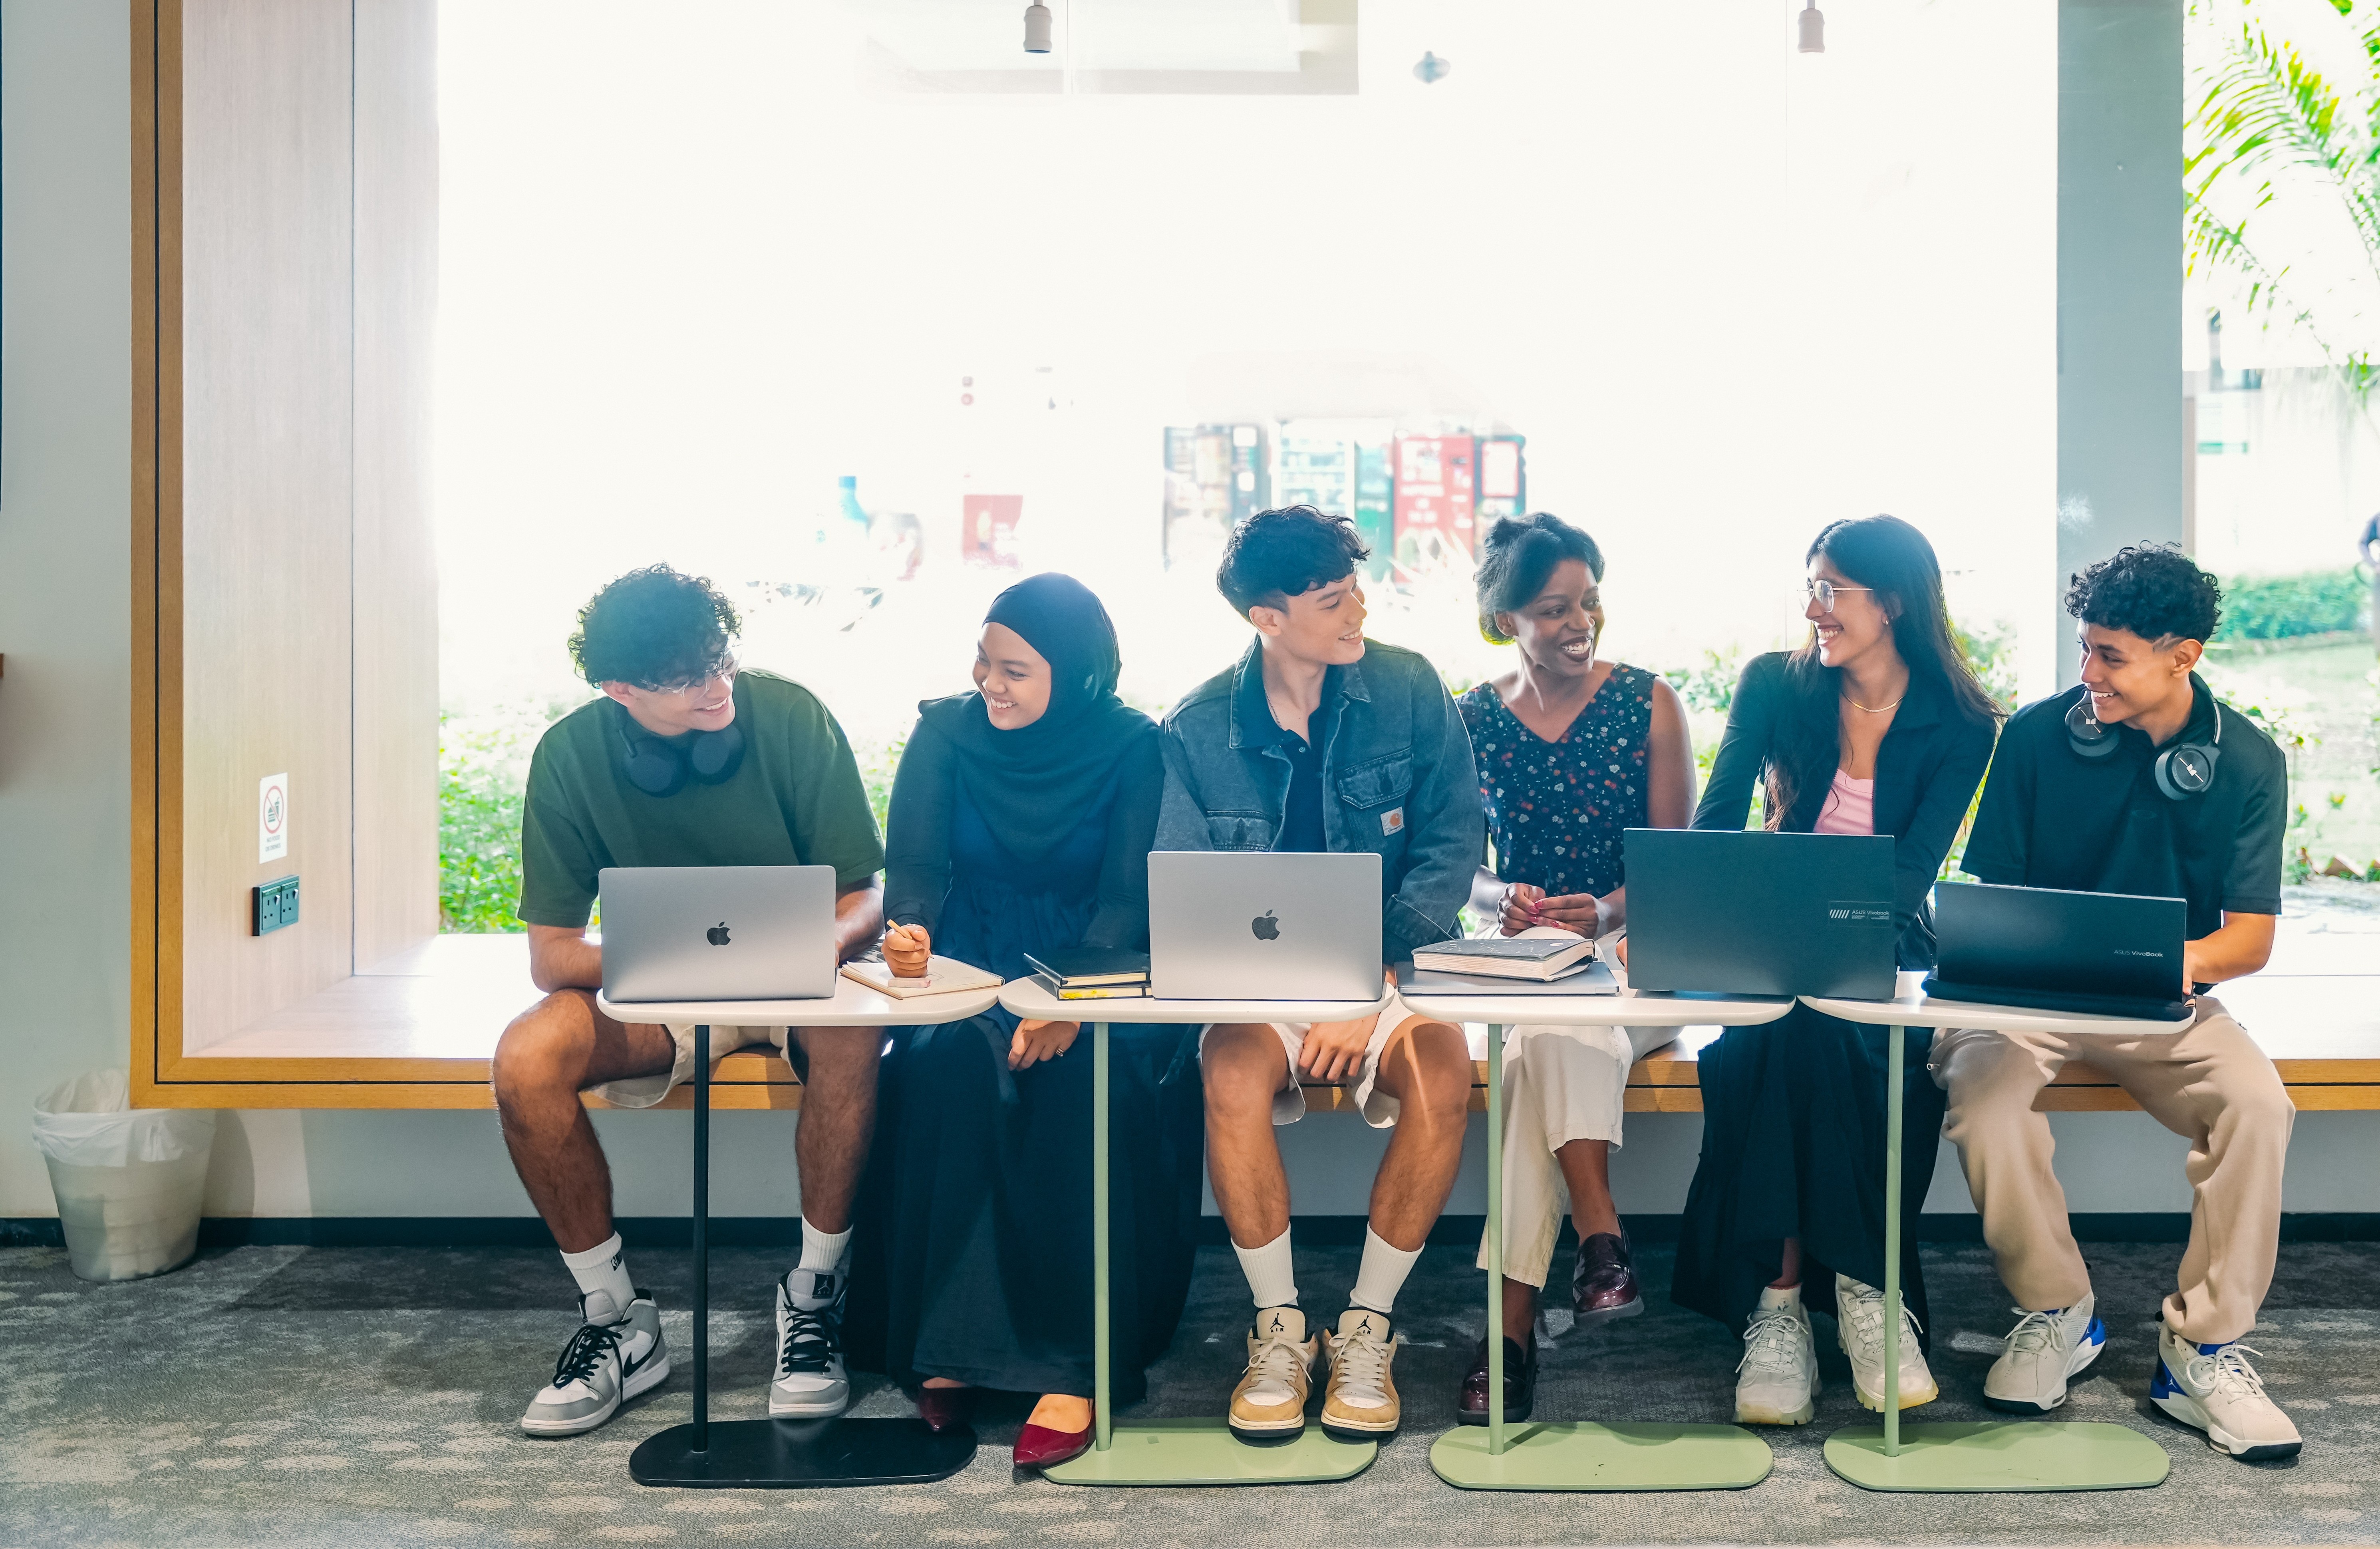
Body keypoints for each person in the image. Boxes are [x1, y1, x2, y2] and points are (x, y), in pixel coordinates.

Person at [490, 566, 888, 1437]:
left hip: (796, 978)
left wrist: (817, 943)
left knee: (856, 1036)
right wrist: (672, 955)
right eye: (686, 682)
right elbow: (552, 954)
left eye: (722, 662)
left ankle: (814, 1295)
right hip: (660, 987)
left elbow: (865, 893)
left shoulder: (792, 715)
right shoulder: (568, 755)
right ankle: (615, 1320)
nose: (717, 691)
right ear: (620, 691)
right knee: (524, 1056)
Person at [1937, 544, 2301, 1461]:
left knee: (2258, 1105)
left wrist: (2170, 961)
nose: (2088, 671)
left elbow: (2249, 940)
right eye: (2085, 648)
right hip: (2028, 1000)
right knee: (1982, 1096)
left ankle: (2202, 1351)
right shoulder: (2034, 735)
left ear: (2184, 656)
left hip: (2163, 1002)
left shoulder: (2249, 761)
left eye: (2111, 655)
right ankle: (2058, 1311)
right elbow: (1994, 897)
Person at [844, 574, 1202, 1471]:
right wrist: (912, 934)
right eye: (983, 662)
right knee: (947, 1067)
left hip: (1098, 971)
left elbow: (1127, 897)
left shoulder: (1134, 744)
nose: (988, 683)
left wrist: (1065, 1004)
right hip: (970, 969)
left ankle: (1074, 1362)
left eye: (1014, 669)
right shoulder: (944, 732)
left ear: (1074, 674)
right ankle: (950, 1347)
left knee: (1080, 1082)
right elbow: (915, 868)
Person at [1157, 505, 1485, 1444]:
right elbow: (1189, 894)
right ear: (1268, 617)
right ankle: (1281, 1330)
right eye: (1334, 600)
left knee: (1443, 1074)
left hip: (1394, 969)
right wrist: (1306, 997)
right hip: (1264, 988)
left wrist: (1366, 988)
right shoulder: (1195, 728)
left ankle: (1367, 1327)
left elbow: (1453, 845)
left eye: (1355, 590)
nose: (1358, 611)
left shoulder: (1409, 688)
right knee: (1228, 1072)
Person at [1671, 516, 2001, 1428]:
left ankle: (1785, 1302)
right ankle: (1859, 1291)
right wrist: (1705, 920)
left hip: (1882, 943)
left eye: (1831, 590)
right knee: (1787, 1030)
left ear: (1890, 602)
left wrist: (1819, 940)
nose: (1813, 608)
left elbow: (1909, 875)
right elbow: (1716, 822)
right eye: (1810, 587)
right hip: (1762, 933)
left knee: (1809, 1035)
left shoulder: (1964, 723)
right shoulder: (1775, 684)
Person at [1452, 514, 1696, 1425]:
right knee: (1543, 1039)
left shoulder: (1649, 702)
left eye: (1588, 601)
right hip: (1526, 966)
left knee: (1540, 1045)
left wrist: (1606, 910)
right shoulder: (1471, 717)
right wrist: (1502, 898)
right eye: (1554, 608)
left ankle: (1508, 1332)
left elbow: (1676, 865)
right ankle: (1602, 1246)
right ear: (1504, 618)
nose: (1578, 622)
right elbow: (1461, 869)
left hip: (1637, 960)